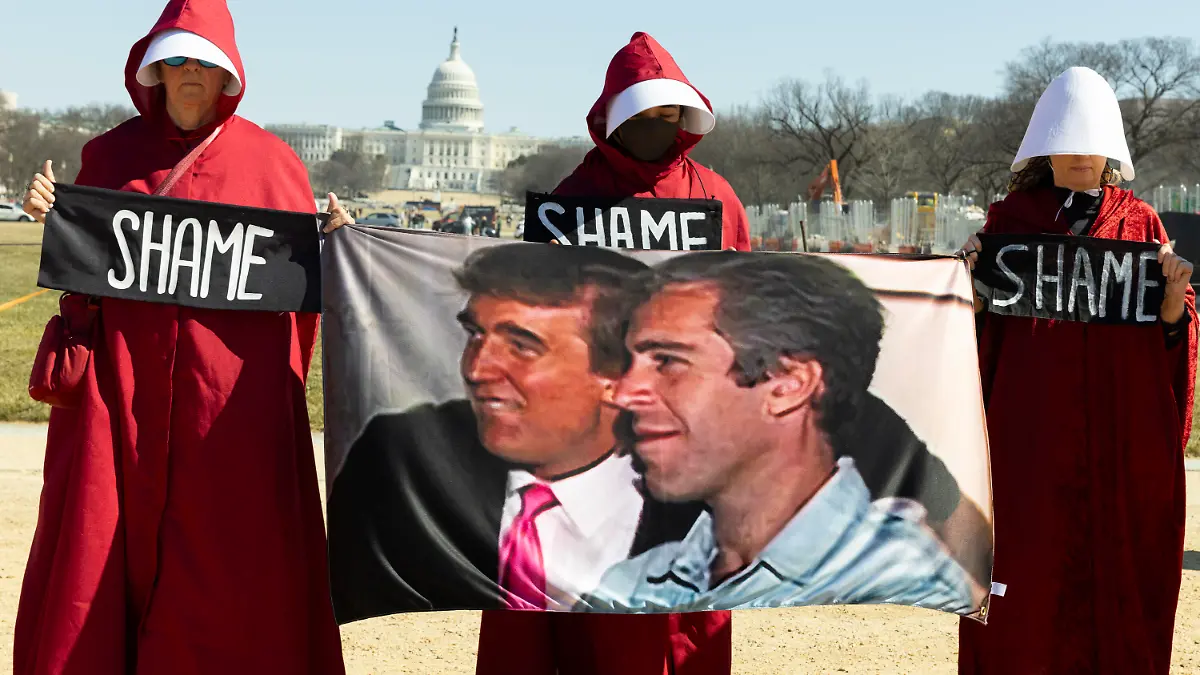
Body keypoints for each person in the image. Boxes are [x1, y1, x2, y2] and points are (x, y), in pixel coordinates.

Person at [16, 1, 346, 673]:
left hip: (225, 407)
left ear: (228, 74)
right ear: (154, 70)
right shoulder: (107, 156)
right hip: (120, 395)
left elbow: (303, 305)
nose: (190, 74)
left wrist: (341, 249)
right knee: (101, 549)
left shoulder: (274, 164)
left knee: (229, 566)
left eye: (204, 61)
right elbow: (83, 278)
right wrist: (52, 214)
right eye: (176, 61)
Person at [472, 31, 749, 675]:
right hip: (590, 438)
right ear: (614, 117)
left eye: (667, 113)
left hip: (686, 431)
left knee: (682, 608)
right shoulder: (567, 206)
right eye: (643, 113)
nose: (657, 126)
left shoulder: (717, 199)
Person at [578, 252, 983, 615]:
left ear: (787, 383)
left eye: (667, 360)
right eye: (630, 362)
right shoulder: (631, 583)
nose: (624, 393)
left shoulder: (896, 587)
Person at [957, 66, 1196, 675]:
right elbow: (969, 342)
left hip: (1121, 443)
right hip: (1029, 447)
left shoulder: (1141, 225)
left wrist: (1173, 302)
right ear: (1042, 148)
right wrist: (970, 298)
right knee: (1026, 597)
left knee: (1117, 593)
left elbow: (1174, 333)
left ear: (1110, 148)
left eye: (1090, 142)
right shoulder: (1007, 225)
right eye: (1064, 142)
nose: (1078, 156)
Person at [325, 243, 702, 621]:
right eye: (474, 334)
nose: (476, 370)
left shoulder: (706, 508)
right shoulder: (399, 457)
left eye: (522, 346)